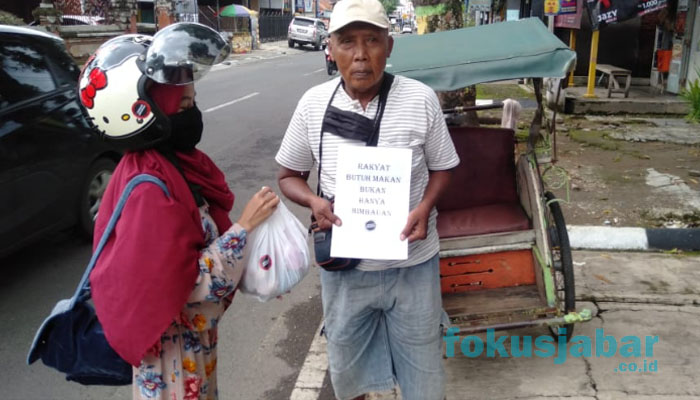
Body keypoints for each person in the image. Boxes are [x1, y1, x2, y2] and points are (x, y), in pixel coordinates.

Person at [80, 24, 279, 400]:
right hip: (173, 359)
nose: (194, 114)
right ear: (145, 112)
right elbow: (187, 286)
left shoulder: (167, 166)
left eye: (193, 102)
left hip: (189, 352)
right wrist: (244, 228)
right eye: (183, 106)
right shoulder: (149, 190)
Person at [275, 0, 460, 399]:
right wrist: (313, 202)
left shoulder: (420, 99)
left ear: (389, 47)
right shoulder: (313, 105)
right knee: (348, 373)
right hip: (345, 272)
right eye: (347, 42)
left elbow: (444, 167)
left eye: (371, 41)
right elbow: (289, 176)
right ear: (331, 48)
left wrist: (425, 207)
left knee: (423, 376)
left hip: (413, 264)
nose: (360, 55)